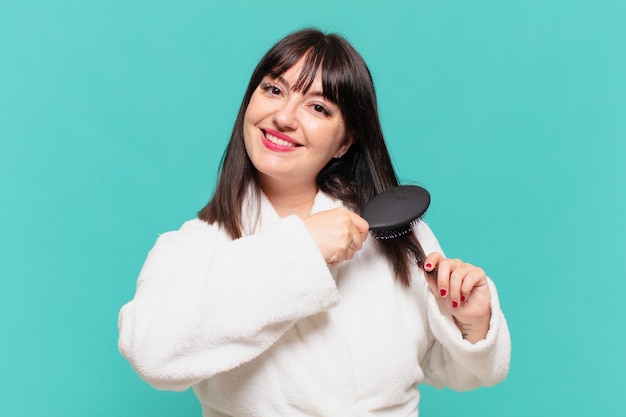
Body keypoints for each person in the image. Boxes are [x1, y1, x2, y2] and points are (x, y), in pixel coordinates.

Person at [118, 28, 510, 416]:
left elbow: (446, 366)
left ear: (345, 141)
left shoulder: (393, 234)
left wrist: (472, 323)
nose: (284, 116)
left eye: (318, 107)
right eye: (273, 89)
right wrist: (300, 250)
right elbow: (150, 354)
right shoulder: (195, 246)